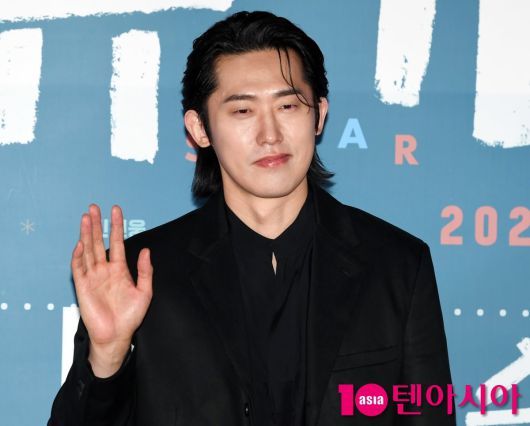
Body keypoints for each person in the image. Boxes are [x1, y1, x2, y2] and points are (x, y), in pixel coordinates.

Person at [48, 10, 455, 426]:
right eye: (243, 111)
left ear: (319, 114)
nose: (270, 134)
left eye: (288, 105)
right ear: (200, 129)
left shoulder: (397, 265)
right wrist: (107, 356)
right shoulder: (141, 274)